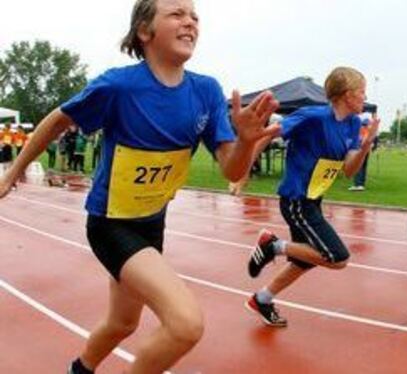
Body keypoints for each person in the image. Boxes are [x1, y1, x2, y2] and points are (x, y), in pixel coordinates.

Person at [0, 0, 278, 372]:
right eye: (176, 14)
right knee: (185, 324)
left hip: (151, 223)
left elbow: (231, 170)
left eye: (194, 15)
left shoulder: (207, 91)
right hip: (111, 223)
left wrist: (244, 143)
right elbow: (56, 121)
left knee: (123, 323)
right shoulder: (119, 86)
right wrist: (12, 172)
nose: (190, 21)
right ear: (145, 32)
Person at [245, 66, 380, 327]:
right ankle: (272, 246)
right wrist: (244, 171)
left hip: (314, 199)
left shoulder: (353, 123)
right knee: (337, 257)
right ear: (346, 95)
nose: (365, 97)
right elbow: (267, 134)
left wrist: (365, 146)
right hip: (296, 199)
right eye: (362, 92)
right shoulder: (313, 117)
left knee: (304, 260)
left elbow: (349, 171)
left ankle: (262, 299)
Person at [348, 117, 378, 191]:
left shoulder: (362, 130)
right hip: (366, 151)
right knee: (363, 167)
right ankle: (361, 184)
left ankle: (358, 184)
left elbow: (361, 141)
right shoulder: (369, 130)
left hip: (360, 151)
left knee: (358, 167)